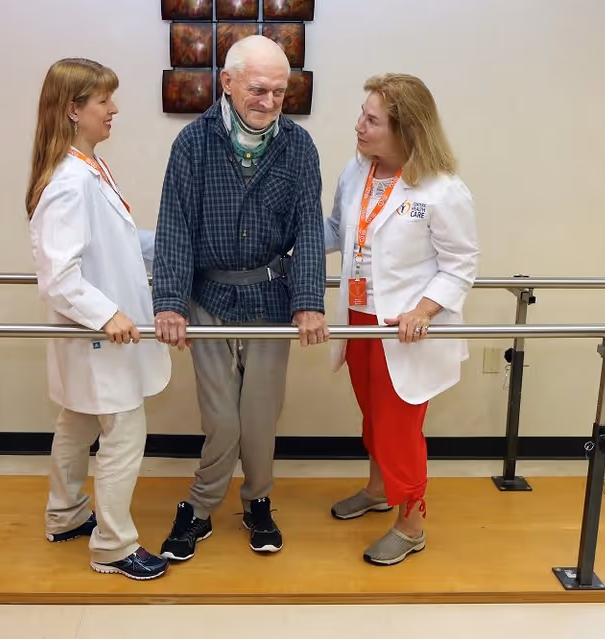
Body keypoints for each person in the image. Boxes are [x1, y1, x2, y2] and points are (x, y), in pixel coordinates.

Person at [152, 35, 329, 560]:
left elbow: (310, 233)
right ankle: (200, 506)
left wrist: (309, 300)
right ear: (227, 84)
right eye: (258, 89)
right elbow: (175, 227)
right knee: (222, 417)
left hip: (272, 298)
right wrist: (169, 301)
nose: (270, 101)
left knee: (259, 417)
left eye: (280, 91)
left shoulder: (298, 146)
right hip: (209, 296)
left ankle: (257, 501)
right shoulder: (193, 143)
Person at [324, 73, 479, 566]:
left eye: (372, 120)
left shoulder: (443, 189)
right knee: (372, 415)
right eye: (361, 114)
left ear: (406, 130)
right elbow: (335, 230)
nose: (359, 126)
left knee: (399, 426)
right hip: (358, 316)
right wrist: (284, 244)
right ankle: (377, 489)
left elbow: (461, 264)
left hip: (404, 328)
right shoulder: (357, 171)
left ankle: (411, 525)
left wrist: (424, 310)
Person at [26, 58, 170, 580]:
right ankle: (113, 545)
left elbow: (119, 245)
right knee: (124, 431)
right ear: (73, 110)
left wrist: (176, 246)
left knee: (76, 421)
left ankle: (65, 514)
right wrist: (107, 314)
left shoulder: (88, 168)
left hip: (93, 337)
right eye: (103, 101)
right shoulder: (70, 181)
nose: (114, 109)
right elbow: (59, 276)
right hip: (98, 336)